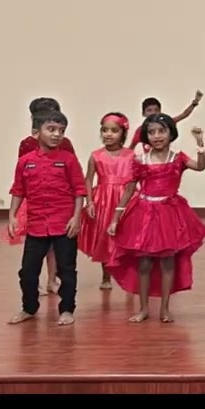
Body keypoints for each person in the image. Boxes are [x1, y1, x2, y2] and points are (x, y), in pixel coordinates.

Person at [106, 113, 205, 323]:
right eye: (152, 132)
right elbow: (128, 190)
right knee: (143, 263)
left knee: (167, 263)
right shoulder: (140, 160)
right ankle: (144, 308)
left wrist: (200, 145)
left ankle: (164, 308)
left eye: (161, 131)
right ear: (146, 136)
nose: (157, 136)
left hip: (169, 214)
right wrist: (116, 217)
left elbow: (200, 167)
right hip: (144, 214)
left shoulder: (178, 158)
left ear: (171, 133)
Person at [6, 109, 86, 326]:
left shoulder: (68, 160)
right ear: (35, 133)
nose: (57, 134)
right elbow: (18, 190)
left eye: (61, 130)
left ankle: (67, 310)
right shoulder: (25, 162)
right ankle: (29, 308)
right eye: (51, 129)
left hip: (64, 224)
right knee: (28, 272)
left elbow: (79, 190)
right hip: (36, 226)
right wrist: (12, 216)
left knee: (66, 270)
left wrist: (76, 217)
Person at [4, 97, 77, 295]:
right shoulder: (26, 144)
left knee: (57, 247)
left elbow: (73, 175)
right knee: (35, 243)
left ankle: (52, 279)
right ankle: (32, 284)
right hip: (36, 199)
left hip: (59, 203)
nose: (56, 133)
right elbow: (22, 177)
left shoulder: (65, 144)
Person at [78, 112, 135, 290]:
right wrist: (90, 202)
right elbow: (88, 179)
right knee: (104, 236)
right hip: (102, 200)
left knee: (127, 235)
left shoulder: (131, 155)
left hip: (124, 198)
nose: (108, 134)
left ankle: (129, 273)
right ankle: (106, 275)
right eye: (105, 130)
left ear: (123, 133)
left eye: (114, 130)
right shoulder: (96, 155)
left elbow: (135, 180)